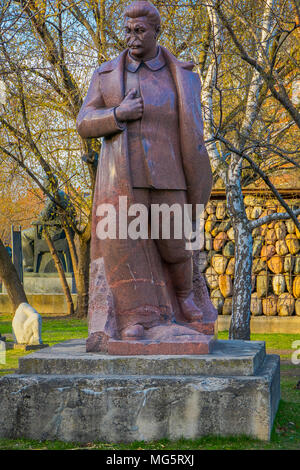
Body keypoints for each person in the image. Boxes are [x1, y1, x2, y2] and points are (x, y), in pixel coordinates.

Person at [77, 1, 213, 342]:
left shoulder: (179, 74)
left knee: (177, 243)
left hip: (170, 172)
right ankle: (134, 319)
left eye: (139, 31)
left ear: (156, 32)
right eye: (127, 30)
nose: (132, 38)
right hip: (124, 176)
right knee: (127, 247)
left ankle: (185, 300)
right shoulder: (106, 75)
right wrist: (118, 114)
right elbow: (83, 122)